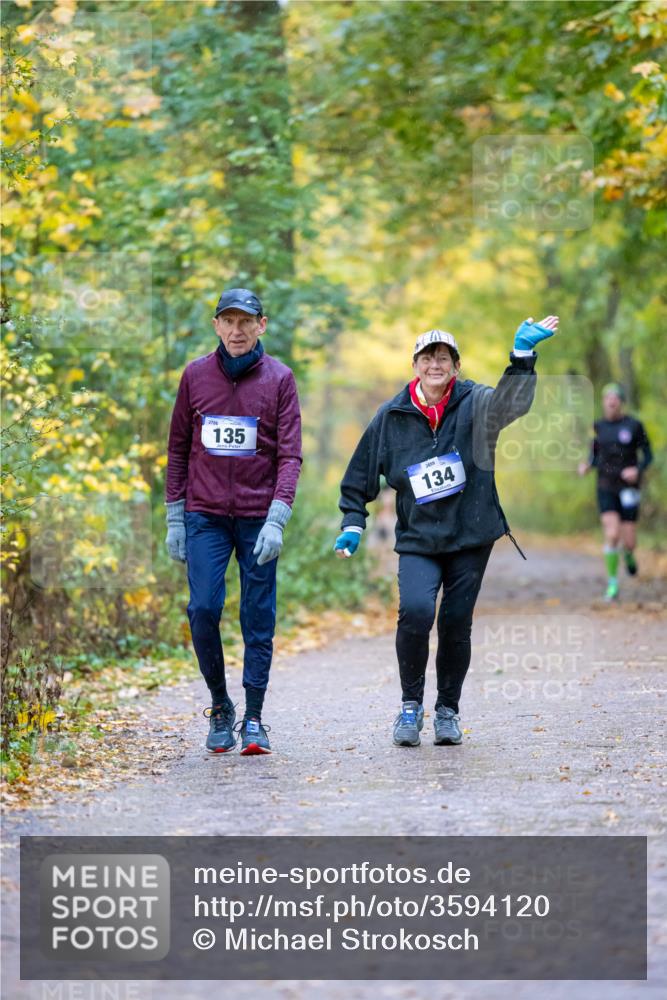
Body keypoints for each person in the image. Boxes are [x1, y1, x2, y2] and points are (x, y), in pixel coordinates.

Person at [334, 316, 559, 748]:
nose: (435, 364)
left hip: (470, 534)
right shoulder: (392, 415)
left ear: (456, 366)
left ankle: (447, 711)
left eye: (443, 358)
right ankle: (410, 706)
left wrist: (522, 357)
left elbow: (511, 405)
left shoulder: (476, 403)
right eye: (427, 357)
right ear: (415, 365)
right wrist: (352, 522)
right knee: (416, 612)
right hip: (419, 538)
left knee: (456, 621)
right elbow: (360, 475)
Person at [165, 288, 302, 755]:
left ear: (262, 325)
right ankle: (221, 706)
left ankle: (255, 718)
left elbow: (290, 455)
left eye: (246, 321)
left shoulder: (280, 379)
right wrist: (175, 517)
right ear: (217, 326)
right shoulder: (195, 375)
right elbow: (178, 447)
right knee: (203, 609)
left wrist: (277, 519)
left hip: (258, 518)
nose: (237, 330)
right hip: (204, 515)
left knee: (257, 618)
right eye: (229, 321)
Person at [578, 383, 652, 602]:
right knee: (612, 534)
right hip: (606, 486)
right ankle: (612, 584)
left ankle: (628, 554)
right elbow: (594, 455)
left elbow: (648, 455)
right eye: (608, 397)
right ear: (603, 402)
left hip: (628, 488)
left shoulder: (634, 425)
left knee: (629, 541)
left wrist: (637, 470)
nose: (611, 401)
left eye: (615, 398)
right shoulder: (598, 426)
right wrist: (587, 465)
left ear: (621, 402)